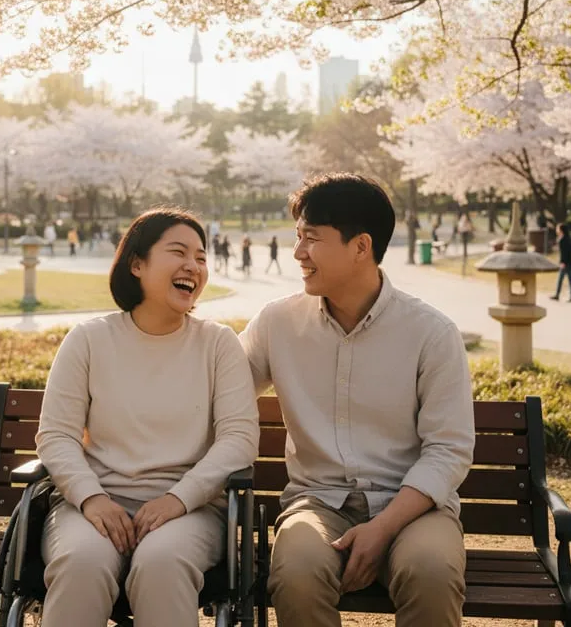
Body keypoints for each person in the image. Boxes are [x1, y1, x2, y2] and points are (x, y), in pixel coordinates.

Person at [240, 173, 475, 627]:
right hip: (316, 504)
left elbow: (448, 450)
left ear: (361, 246)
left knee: (431, 572)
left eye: (311, 239)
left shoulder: (431, 333)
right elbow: (215, 388)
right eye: (297, 238)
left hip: (412, 508)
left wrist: (382, 528)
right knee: (295, 573)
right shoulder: (278, 323)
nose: (297, 253)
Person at [36, 207, 259, 627]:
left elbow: (239, 439)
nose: (193, 266)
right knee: (82, 563)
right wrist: (92, 498)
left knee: (162, 564)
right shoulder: (88, 340)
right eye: (178, 252)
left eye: (201, 256)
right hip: (93, 505)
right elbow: (56, 436)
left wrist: (179, 498)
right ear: (137, 264)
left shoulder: (218, 344)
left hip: (191, 510)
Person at [550, 223, 571, 303]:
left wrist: (562, 262)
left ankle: (557, 295)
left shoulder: (562, 240)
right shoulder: (569, 238)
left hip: (565, 262)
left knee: (560, 279)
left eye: (558, 229)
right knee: (570, 280)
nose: (556, 230)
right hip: (570, 262)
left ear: (561, 230)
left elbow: (564, 252)